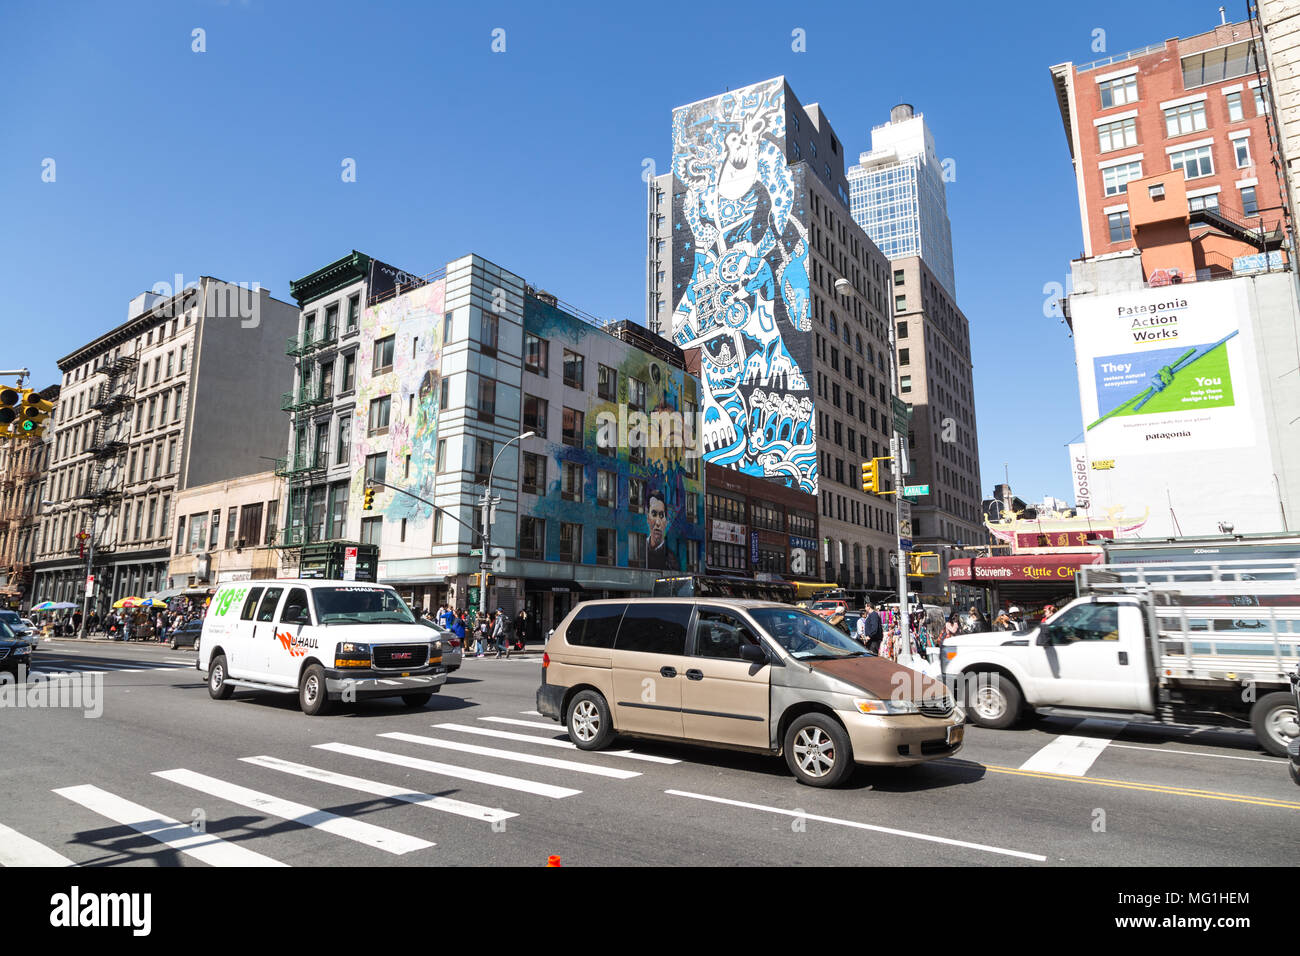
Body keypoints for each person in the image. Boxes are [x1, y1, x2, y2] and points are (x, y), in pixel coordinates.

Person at [645, 488, 678, 571]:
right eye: (654, 514)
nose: (658, 523)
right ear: (648, 518)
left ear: (666, 521)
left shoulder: (671, 558)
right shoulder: (641, 549)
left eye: (661, 515)